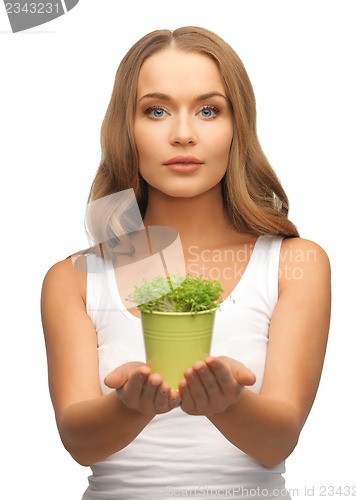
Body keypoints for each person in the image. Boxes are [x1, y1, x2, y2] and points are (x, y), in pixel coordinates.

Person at [41, 26, 331, 500]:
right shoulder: (73, 280)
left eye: (208, 110)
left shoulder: (294, 264)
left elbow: (279, 439)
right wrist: (130, 406)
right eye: (155, 111)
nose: (182, 134)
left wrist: (228, 403)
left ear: (237, 126)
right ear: (126, 128)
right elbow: (78, 442)